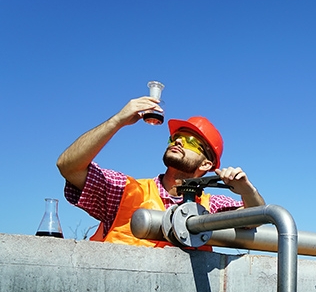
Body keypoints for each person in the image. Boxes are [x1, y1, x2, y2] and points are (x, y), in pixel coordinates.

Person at [56, 96, 265, 247]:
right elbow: (68, 167)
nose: (178, 142)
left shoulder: (210, 207)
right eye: (175, 138)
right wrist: (117, 120)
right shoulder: (125, 191)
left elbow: (255, 217)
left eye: (190, 141)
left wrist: (246, 190)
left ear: (206, 164)